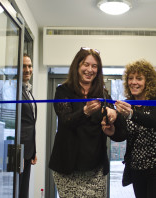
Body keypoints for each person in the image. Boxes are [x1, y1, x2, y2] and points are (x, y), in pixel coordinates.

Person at [48, 47, 124, 198]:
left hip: (95, 168)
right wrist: (85, 112)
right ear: (77, 66)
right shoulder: (63, 91)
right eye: (86, 64)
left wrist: (114, 115)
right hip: (67, 167)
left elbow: (118, 133)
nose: (90, 69)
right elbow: (66, 120)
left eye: (94, 66)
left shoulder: (103, 94)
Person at [114, 59, 156, 198]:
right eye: (130, 78)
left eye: (139, 78)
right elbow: (121, 135)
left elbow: (152, 121)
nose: (133, 82)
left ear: (148, 81)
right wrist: (111, 129)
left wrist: (130, 114)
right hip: (137, 168)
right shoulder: (128, 104)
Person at [19, 54, 37, 198]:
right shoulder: (14, 89)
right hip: (18, 151)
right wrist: (19, 153)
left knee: (24, 191)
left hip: (28, 151)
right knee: (17, 190)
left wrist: (33, 151)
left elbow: (30, 124)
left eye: (29, 66)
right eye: (24, 66)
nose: (27, 69)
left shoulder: (28, 90)